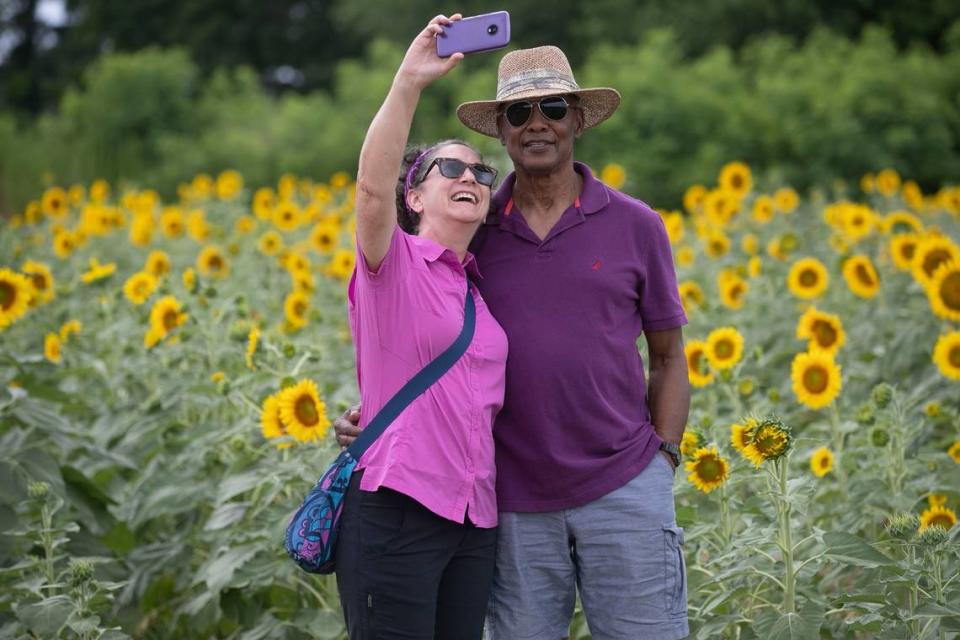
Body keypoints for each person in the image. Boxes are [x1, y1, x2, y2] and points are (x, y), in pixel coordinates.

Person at [337, 45, 690, 639]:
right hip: (513, 502)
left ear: (577, 117)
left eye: (552, 106)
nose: (538, 124)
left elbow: (669, 355)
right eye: (519, 113)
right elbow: (399, 300)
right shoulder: (474, 236)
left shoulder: (634, 225)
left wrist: (665, 459)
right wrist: (376, 417)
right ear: (502, 128)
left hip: (623, 486)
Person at [333, 14, 508, 640]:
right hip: (398, 507)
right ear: (415, 197)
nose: (470, 178)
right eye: (451, 170)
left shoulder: (480, 292)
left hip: (473, 518)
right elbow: (370, 190)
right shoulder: (393, 265)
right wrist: (410, 82)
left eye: (482, 173)